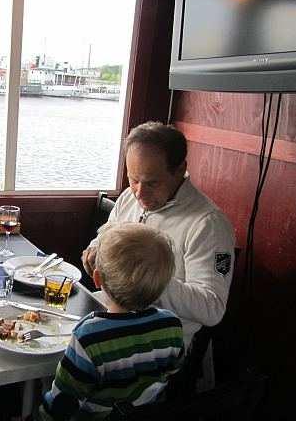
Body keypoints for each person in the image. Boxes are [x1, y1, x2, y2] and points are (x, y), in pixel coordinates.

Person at [5, 223, 184, 421]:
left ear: (97, 279)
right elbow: (171, 372)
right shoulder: (171, 325)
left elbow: (65, 401)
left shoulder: (90, 335)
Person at [82, 121, 235, 352]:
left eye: (152, 183)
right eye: (133, 180)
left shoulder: (208, 224)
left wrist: (146, 282)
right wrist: (95, 250)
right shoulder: (129, 197)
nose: (140, 193)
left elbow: (212, 307)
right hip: (112, 314)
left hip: (162, 344)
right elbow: (106, 236)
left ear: (180, 170)